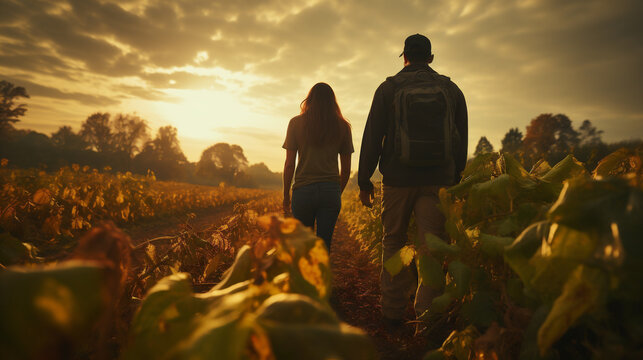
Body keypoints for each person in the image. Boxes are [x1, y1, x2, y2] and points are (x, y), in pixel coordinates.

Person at [357, 34, 468, 328]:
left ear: (404, 56)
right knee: (432, 246)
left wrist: (364, 179)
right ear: (431, 58)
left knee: (394, 240)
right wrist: (455, 177)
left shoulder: (388, 89)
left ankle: (393, 311)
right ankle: (428, 317)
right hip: (438, 180)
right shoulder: (451, 90)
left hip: (397, 178)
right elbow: (461, 139)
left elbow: (372, 136)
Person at [283, 82, 354, 250]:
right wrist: (336, 191)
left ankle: (305, 277)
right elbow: (346, 170)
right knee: (323, 246)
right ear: (333, 101)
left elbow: (288, 165)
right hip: (330, 191)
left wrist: (286, 195)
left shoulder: (295, 123)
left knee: (303, 247)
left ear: (309, 100)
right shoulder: (343, 127)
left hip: (303, 191)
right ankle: (322, 276)